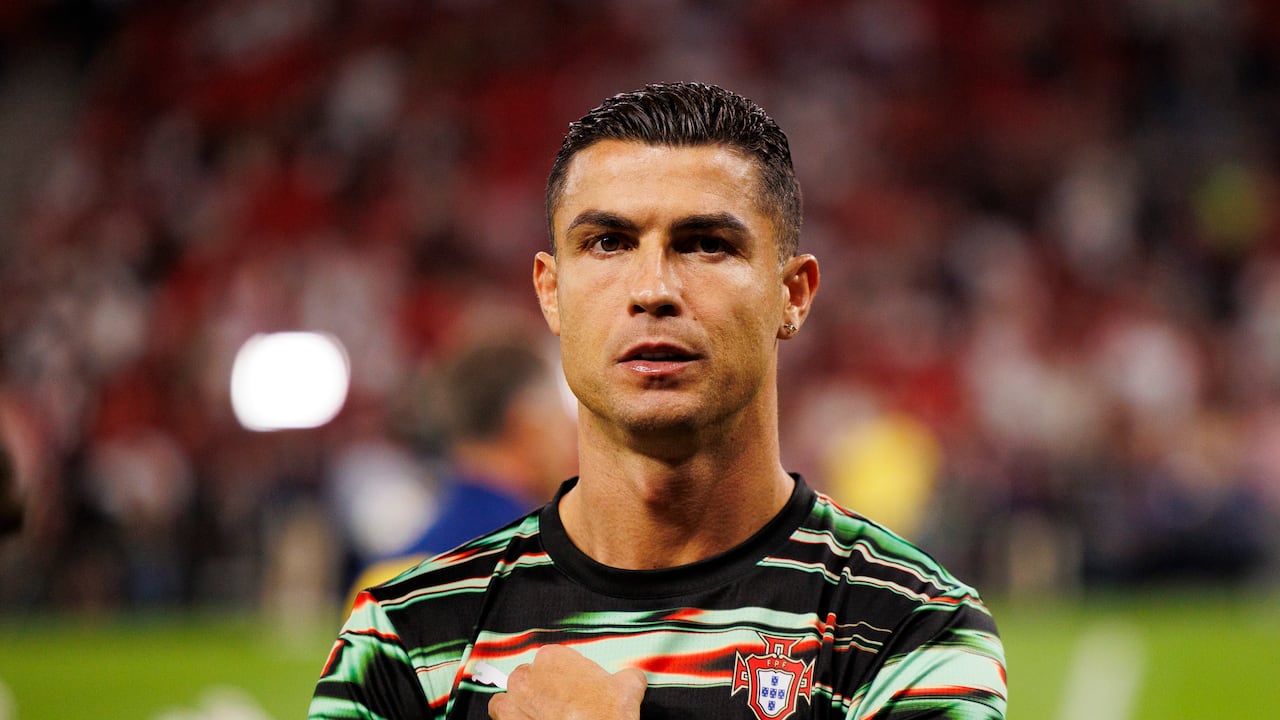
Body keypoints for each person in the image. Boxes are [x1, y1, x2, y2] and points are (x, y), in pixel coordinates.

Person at [310, 82, 1007, 720]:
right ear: (550, 293)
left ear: (791, 296)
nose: (653, 289)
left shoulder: (911, 625)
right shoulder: (403, 635)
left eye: (706, 244)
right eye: (608, 243)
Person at [345, 336, 575, 604]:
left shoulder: (383, 582)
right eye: (562, 420)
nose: (572, 440)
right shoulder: (555, 573)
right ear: (527, 425)